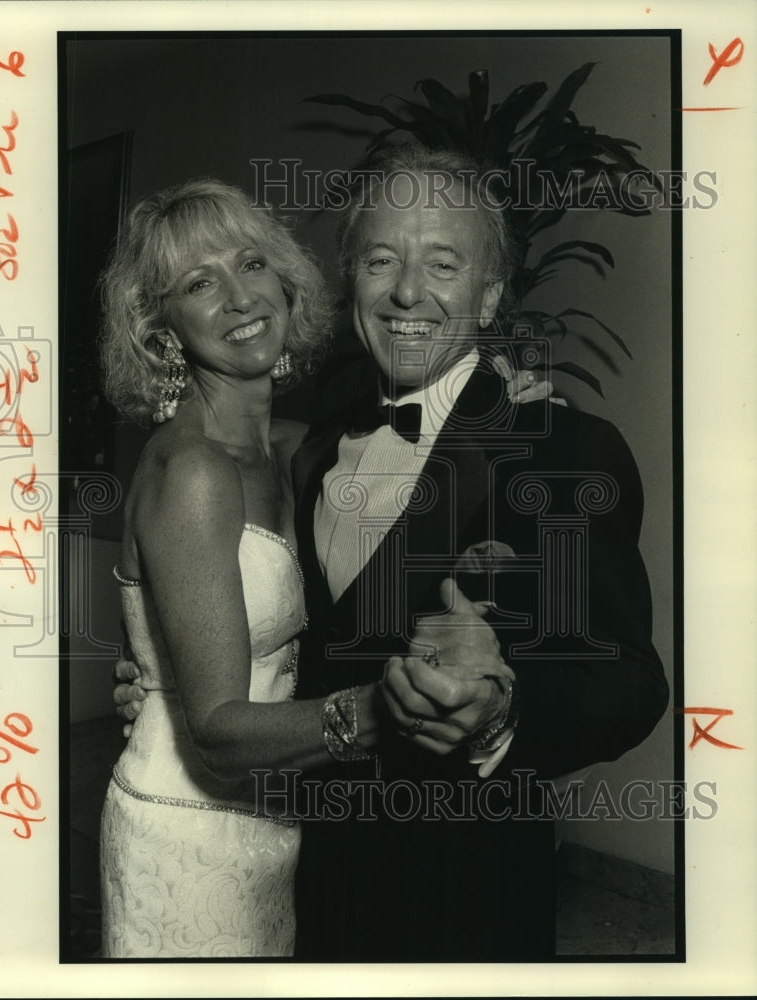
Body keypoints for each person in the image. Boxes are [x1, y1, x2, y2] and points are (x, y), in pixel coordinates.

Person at [115, 148, 669, 962]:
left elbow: (627, 681)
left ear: (488, 294)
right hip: (306, 869)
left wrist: (501, 710)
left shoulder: (558, 450)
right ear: (349, 286)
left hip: (460, 894)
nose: (408, 292)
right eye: (381, 261)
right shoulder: (309, 454)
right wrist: (155, 676)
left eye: (442, 263)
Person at [97, 176, 513, 959]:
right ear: (162, 333)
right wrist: (387, 710)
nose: (236, 298)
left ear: (288, 284)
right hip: (188, 828)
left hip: (283, 822)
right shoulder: (191, 470)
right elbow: (217, 728)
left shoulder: (300, 448)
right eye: (197, 283)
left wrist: (502, 399)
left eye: (251, 264)